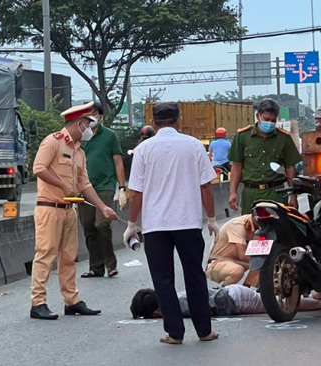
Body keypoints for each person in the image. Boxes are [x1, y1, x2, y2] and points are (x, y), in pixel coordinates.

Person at [124, 103, 220, 345]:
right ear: (179, 121)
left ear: (154, 123)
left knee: (163, 279)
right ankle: (204, 330)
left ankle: (175, 333)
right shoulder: (194, 145)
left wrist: (131, 224)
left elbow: (135, 192)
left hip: (156, 226)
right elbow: (206, 186)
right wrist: (212, 219)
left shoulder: (143, 150)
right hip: (188, 223)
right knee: (195, 275)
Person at [30, 101, 118, 320]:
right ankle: (38, 302)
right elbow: (38, 168)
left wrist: (103, 207)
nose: (89, 128)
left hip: (69, 210)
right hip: (49, 208)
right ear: (79, 123)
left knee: (69, 258)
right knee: (45, 256)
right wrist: (62, 185)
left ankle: (72, 300)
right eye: (88, 123)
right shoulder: (53, 142)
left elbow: (85, 184)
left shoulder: (79, 151)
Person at [228, 99, 302, 214]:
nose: (270, 123)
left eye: (273, 120)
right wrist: (233, 192)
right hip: (251, 194)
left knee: (279, 229)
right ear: (258, 116)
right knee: (250, 229)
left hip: (277, 193)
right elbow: (237, 165)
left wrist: (293, 196)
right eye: (266, 119)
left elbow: (290, 168)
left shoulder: (283, 138)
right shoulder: (243, 136)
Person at [78, 102, 126, 279]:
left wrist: (121, 188)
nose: (91, 117)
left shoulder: (109, 136)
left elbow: (118, 161)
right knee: (89, 227)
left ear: (100, 116)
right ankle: (95, 267)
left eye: (94, 114)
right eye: (87, 114)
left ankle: (110, 265)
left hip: (104, 185)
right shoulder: (80, 136)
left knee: (102, 223)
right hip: (82, 187)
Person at [130, 285, 321, 319]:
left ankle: (320, 301)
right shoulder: (176, 297)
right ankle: (315, 298)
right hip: (233, 294)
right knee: (273, 301)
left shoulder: (178, 306)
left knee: (280, 306)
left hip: (237, 300)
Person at [205, 214, 259, 287]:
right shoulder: (238, 225)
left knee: (261, 263)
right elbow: (242, 256)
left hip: (235, 261)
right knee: (238, 270)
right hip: (217, 263)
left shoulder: (257, 227)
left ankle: (245, 289)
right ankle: (224, 293)